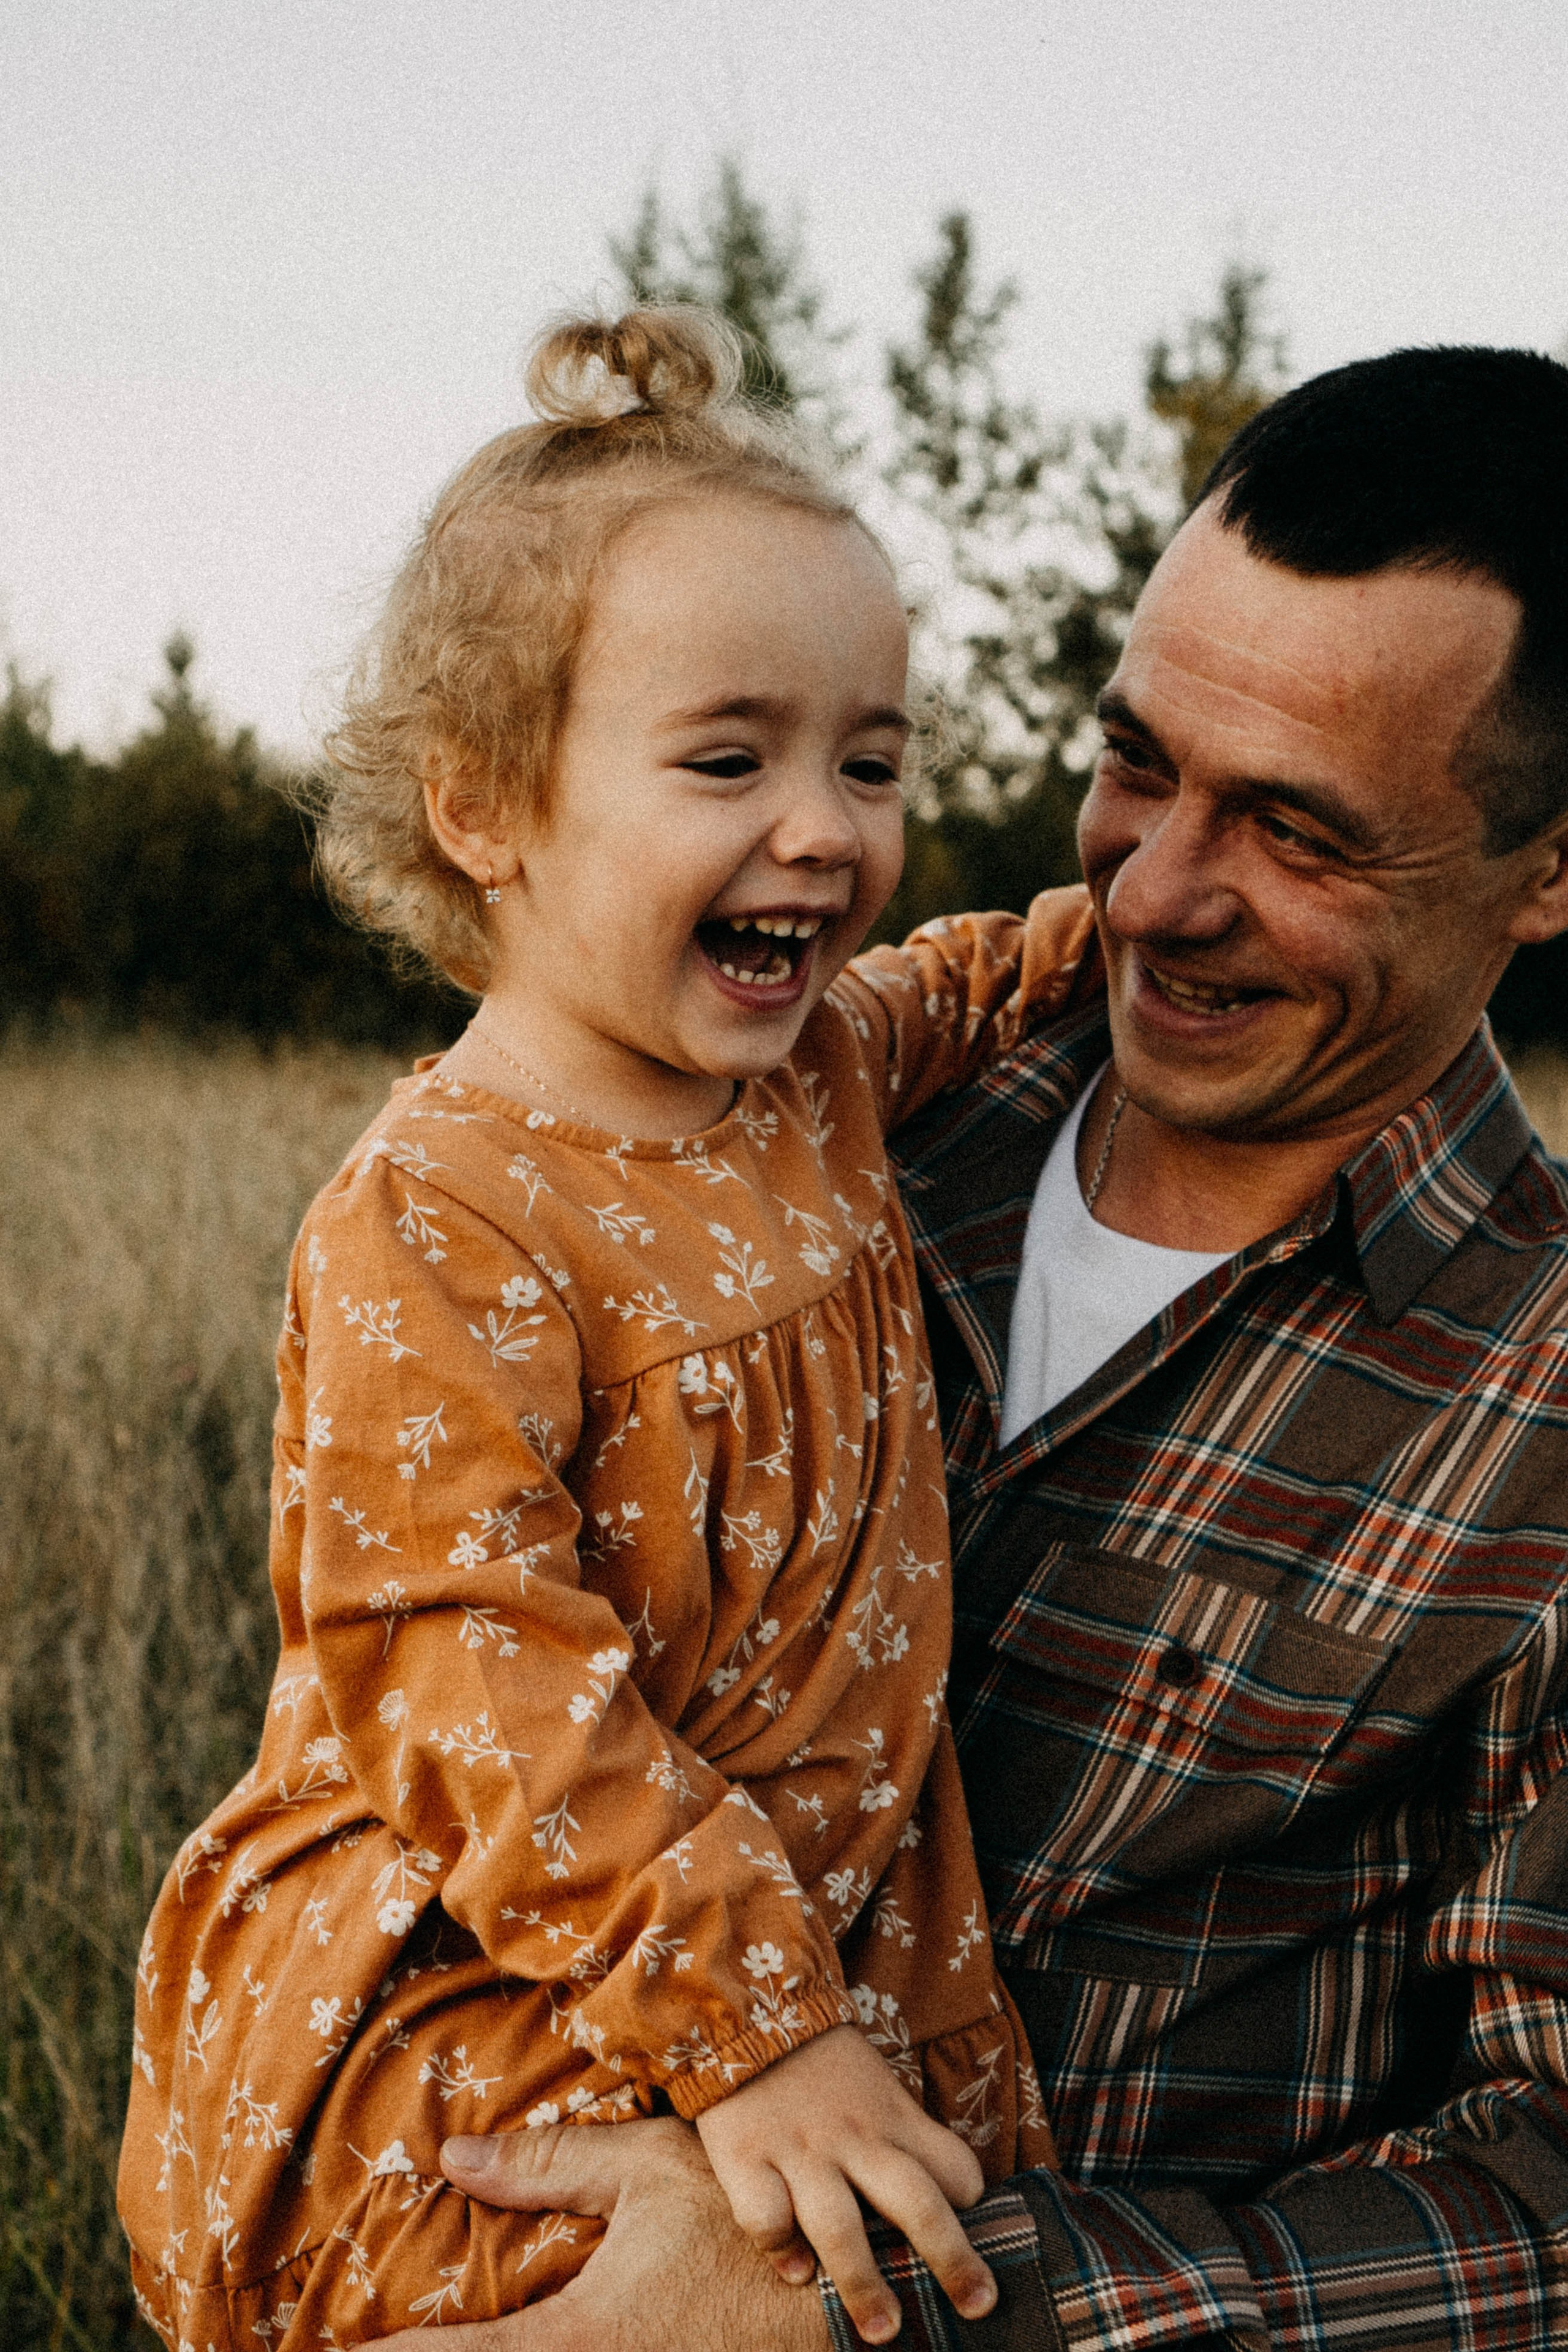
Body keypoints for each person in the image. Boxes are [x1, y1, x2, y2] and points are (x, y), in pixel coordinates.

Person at [361, 343, 1568, 2352]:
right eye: (1138, 764)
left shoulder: (1539, 1408)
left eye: (1299, 832)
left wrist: (881, 2315)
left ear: (1550, 874)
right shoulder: (817, 1095)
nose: (1159, 894)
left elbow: (1544, 2199)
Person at [118, 305, 1077, 2351]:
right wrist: (754, 2030)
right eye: (727, 758)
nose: (821, 823)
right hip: (515, 1967)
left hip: (789, 1945)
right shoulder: (446, 1210)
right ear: (486, 806)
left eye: (872, 760)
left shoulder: (809, 1068)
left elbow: (969, 979)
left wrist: (1138, 914)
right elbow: (469, 1670)